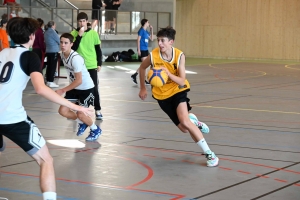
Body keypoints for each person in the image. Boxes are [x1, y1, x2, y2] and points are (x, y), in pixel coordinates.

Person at [0, 17, 93, 200]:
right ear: (32, 36)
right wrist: (74, 106)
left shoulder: (2, 53)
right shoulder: (29, 56)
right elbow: (41, 89)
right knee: (46, 160)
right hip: (13, 118)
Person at [138, 26, 219, 167]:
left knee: (185, 122)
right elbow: (142, 68)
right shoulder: (154, 55)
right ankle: (194, 121)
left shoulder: (179, 56)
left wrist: (168, 74)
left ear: (171, 42)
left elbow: (181, 80)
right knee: (184, 128)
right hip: (161, 95)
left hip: (177, 90)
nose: (160, 43)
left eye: (163, 40)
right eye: (158, 40)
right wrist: (143, 87)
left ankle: (210, 155)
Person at [57, 33, 102, 141]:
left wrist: (63, 89)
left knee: (81, 114)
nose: (63, 45)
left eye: (66, 43)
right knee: (63, 111)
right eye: (61, 42)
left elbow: (79, 80)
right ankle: (82, 123)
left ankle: (95, 129)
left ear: (71, 44)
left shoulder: (75, 58)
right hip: (74, 89)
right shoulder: (62, 55)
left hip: (86, 89)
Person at [71, 12, 103, 120]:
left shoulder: (93, 34)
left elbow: (98, 50)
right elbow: (73, 49)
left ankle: (97, 109)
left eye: (83, 21)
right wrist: (79, 35)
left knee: (94, 88)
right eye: (80, 21)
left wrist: (99, 63)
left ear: (87, 21)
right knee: (77, 87)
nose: (82, 23)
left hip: (91, 65)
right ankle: (77, 108)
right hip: (79, 66)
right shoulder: (74, 33)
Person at [131, 18, 153, 85]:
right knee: (144, 65)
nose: (149, 23)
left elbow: (151, 39)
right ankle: (141, 78)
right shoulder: (141, 31)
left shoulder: (146, 31)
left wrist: (151, 30)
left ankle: (135, 75)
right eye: (148, 22)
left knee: (145, 65)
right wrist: (139, 50)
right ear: (145, 23)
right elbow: (138, 40)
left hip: (146, 49)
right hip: (142, 49)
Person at [44, 21, 60, 88]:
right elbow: (59, 40)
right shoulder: (53, 32)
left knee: (49, 66)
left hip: (48, 51)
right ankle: (50, 81)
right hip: (53, 51)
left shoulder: (46, 32)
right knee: (52, 66)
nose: (55, 26)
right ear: (53, 25)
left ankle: (48, 80)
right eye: (55, 24)